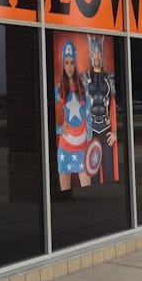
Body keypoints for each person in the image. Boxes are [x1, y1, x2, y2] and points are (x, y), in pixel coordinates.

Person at [54, 40, 91, 191]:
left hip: (82, 144)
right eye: (67, 62)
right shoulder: (58, 90)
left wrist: (89, 136)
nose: (69, 66)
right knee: (64, 189)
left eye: (72, 62)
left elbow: (88, 113)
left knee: (87, 187)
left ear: (75, 64)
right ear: (63, 64)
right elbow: (51, 115)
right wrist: (58, 129)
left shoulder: (83, 87)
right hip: (65, 146)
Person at [82, 34, 118, 183]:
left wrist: (115, 131)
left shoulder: (110, 78)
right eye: (94, 53)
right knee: (93, 172)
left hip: (106, 128)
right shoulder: (83, 78)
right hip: (91, 130)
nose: (97, 56)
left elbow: (116, 106)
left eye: (99, 53)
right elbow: (77, 106)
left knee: (109, 170)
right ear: (90, 54)